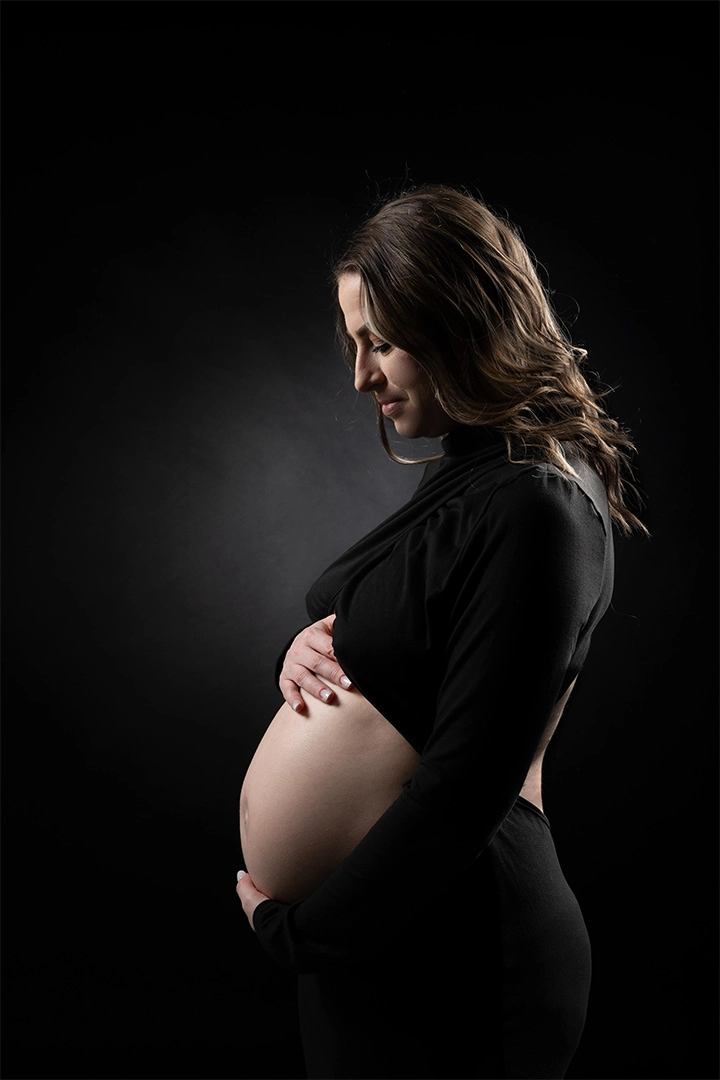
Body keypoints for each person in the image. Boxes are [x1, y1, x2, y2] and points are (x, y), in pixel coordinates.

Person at [236, 184, 647, 1080]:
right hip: (385, 947)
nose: (359, 377)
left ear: (462, 321)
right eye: (353, 343)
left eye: (379, 343)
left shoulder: (540, 503)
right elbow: (397, 638)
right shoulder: (477, 472)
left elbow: (466, 784)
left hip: (459, 959)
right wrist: (304, 650)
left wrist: (302, 931)